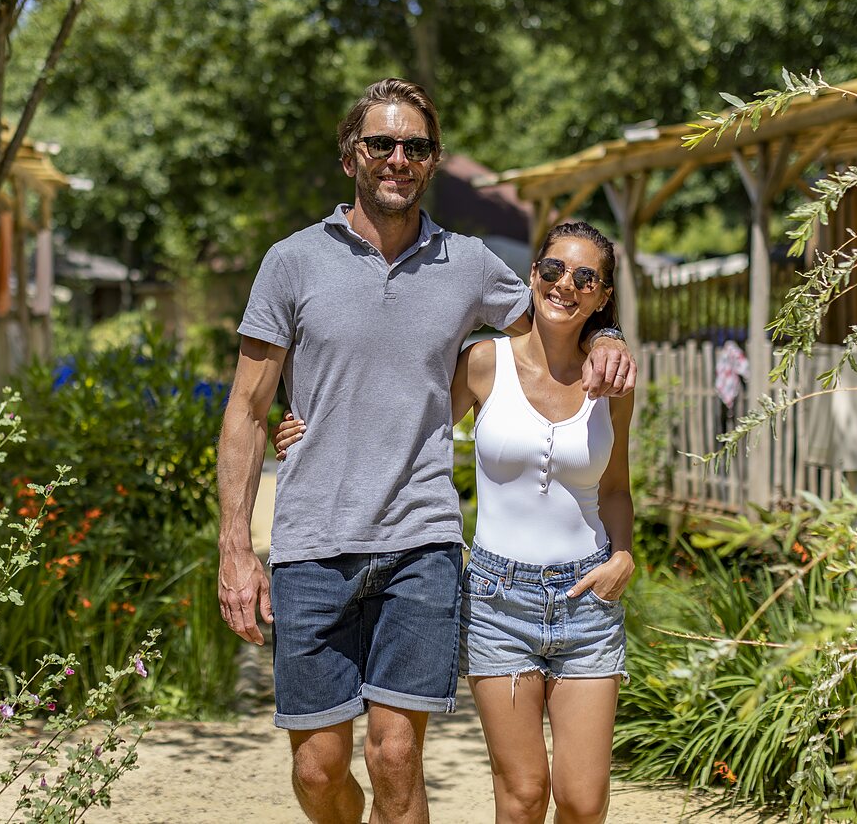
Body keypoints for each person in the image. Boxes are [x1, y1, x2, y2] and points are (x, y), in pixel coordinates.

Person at [216, 78, 636, 824]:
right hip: (312, 542)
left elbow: (556, 313)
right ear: (351, 154)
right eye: (381, 143)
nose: (398, 159)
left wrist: (607, 335)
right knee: (317, 771)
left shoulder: (466, 263)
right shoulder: (292, 261)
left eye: (416, 146)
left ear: (433, 160)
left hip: (422, 542)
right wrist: (235, 548)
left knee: (395, 756)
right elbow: (247, 411)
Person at [276, 220, 634, 824]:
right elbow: (404, 420)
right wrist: (308, 432)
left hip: (587, 603)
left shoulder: (614, 384)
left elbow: (617, 488)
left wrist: (623, 554)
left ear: (602, 296)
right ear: (533, 276)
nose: (565, 285)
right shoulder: (483, 363)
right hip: (498, 600)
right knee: (523, 796)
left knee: (583, 800)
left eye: (585, 278)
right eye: (553, 269)